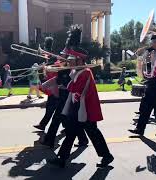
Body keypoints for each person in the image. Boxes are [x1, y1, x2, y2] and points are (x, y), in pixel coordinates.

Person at [48, 25, 113, 168]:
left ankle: (107, 156)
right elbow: (70, 85)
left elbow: (73, 88)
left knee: (93, 133)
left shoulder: (84, 72)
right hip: (78, 109)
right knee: (71, 133)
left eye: (72, 59)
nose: (69, 61)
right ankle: (62, 159)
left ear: (79, 60)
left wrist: (61, 80)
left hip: (86, 110)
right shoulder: (76, 71)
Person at [129, 34, 156, 136]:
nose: (153, 44)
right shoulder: (151, 54)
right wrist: (146, 75)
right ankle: (139, 129)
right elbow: (149, 69)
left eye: (155, 42)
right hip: (151, 83)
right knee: (145, 107)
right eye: (152, 42)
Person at [33, 37, 59, 131]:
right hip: (51, 85)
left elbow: (54, 65)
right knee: (52, 108)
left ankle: (43, 125)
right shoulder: (49, 56)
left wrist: (45, 67)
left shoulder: (51, 55)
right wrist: (43, 67)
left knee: (52, 108)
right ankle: (43, 125)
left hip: (55, 86)